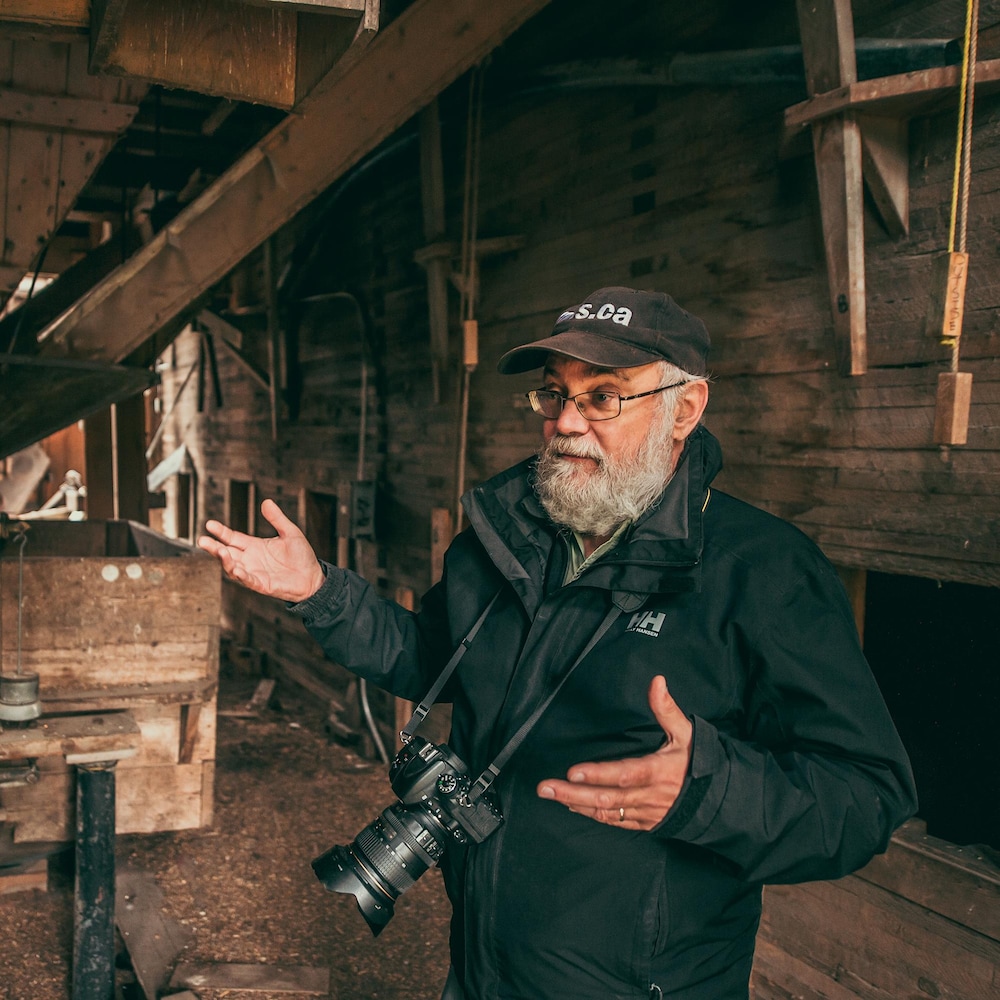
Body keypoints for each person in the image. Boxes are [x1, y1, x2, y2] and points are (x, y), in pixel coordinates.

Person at [198, 286, 917, 1000]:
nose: (567, 423)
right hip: (483, 967)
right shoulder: (501, 539)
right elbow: (431, 658)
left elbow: (866, 794)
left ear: (685, 410)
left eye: (604, 397)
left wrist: (708, 791)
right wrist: (320, 591)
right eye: (554, 395)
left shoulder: (761, 573)